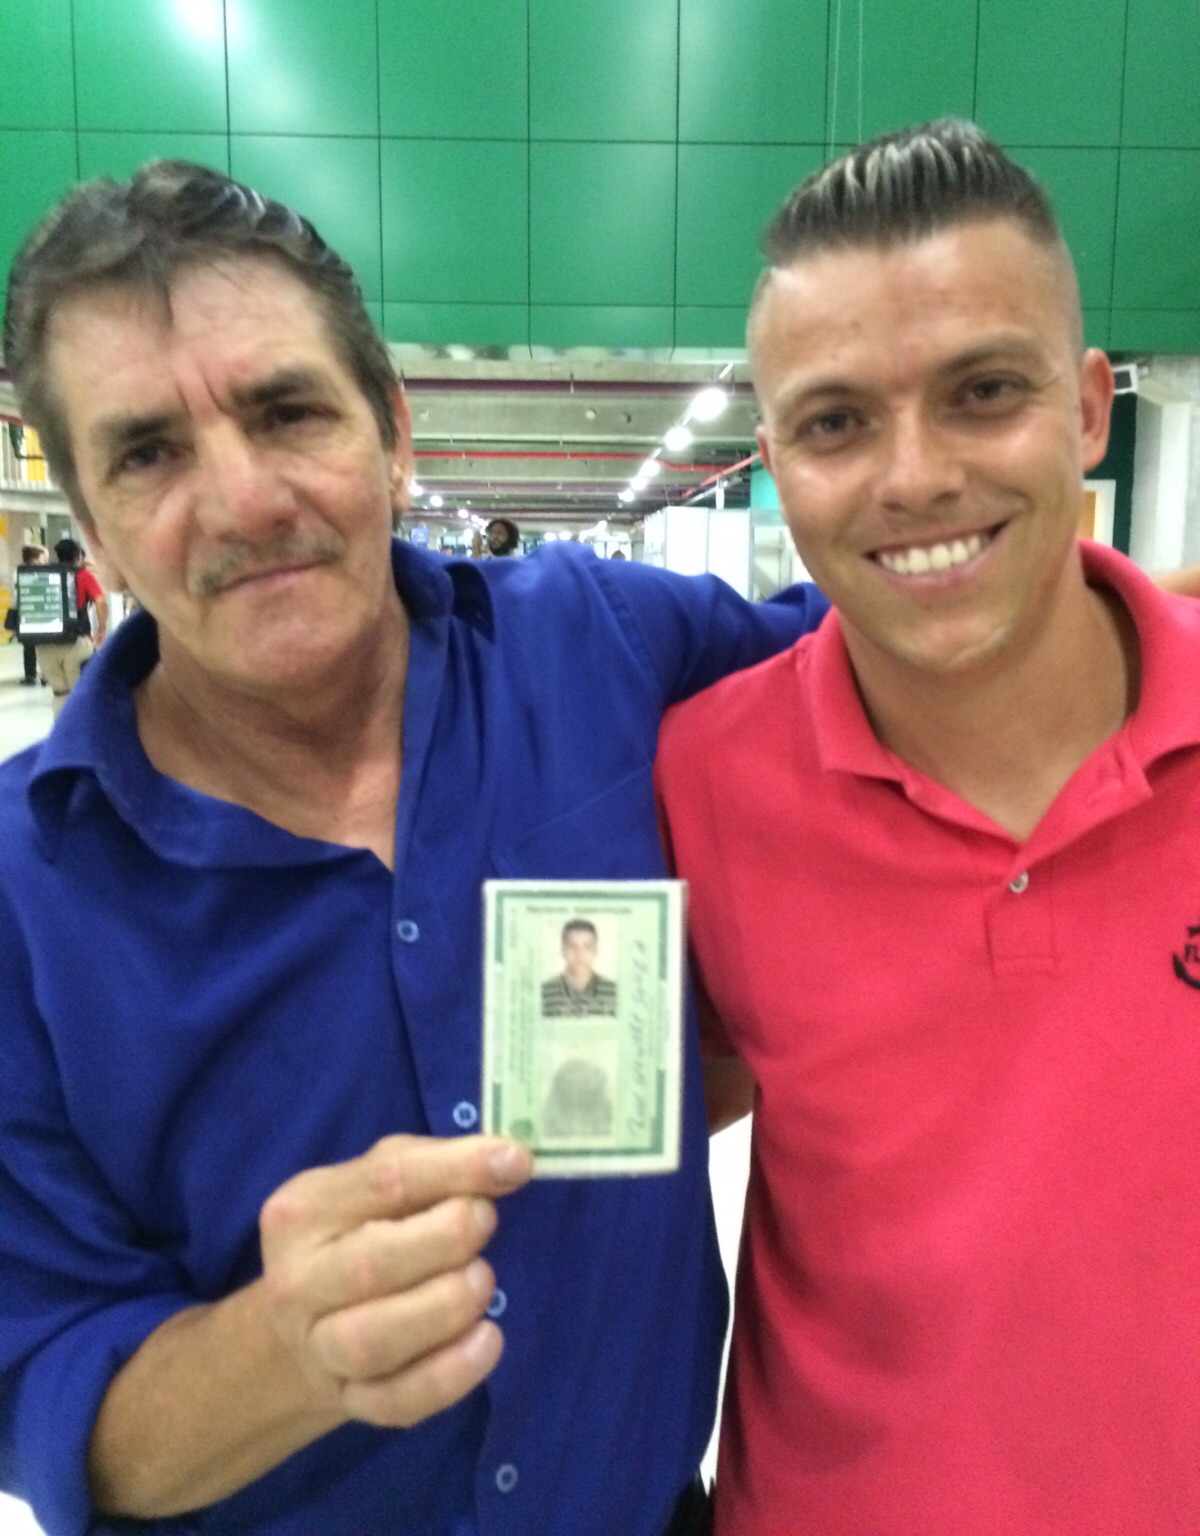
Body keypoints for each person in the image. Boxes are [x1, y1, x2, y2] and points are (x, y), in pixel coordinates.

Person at [0, 160, 830, 1536]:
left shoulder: (601, 647)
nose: (243, 498)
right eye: (149, 452)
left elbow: (915, 662)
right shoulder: (25, 897)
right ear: (90, 530)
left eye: (287, 412)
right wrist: (279, 1352)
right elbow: (49, 1390)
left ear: (392, 431)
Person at [655, 120, 1200, 1535]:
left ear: (1090, 408)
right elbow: (669, 1101)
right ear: (775, 461)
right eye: (837, 422)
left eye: (984, 392)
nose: (913, 478)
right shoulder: (703, 782)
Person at [34, 535, 107, 716]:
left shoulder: (45, 574)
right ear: (77, 556)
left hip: (45, 646)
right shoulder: (83, 576)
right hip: (77, 643)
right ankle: (80, 727)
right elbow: (100, 602)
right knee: (80, 692)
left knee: (59, 693)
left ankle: (61, 727)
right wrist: (102, 629)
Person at [541, 918, 618, 1016]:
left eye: (587, 947)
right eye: (572, 946)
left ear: (595, 950)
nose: (579, 954)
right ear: (562, 950)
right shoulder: (543, 994)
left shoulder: (615, 993)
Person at [16, 542, 47, 684]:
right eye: (43, 558)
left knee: (29, 646)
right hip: (39, 612)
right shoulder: (44, 573)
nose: (45, 561)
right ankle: (45, 675)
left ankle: (30, 675)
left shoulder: (19, 573)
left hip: (27, 613)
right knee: (44, 645)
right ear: (34, 559)